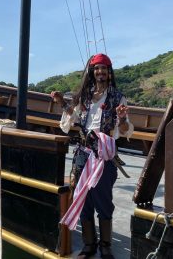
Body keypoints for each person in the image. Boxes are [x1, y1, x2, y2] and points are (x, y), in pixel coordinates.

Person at [51, 53, 133, 259]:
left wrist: (122, 117)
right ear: (92, 71)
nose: (100, 72)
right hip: (83, 154)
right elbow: (74, 117)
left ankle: (106, 245)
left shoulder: (117, 97)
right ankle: (89, 244)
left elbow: (124, 130)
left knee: (103, 200)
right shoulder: (84, 96)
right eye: (96, 68)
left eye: (104, 68)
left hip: (104, 157)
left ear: (109, 71)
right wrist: (62, 102)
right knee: (83, 198)